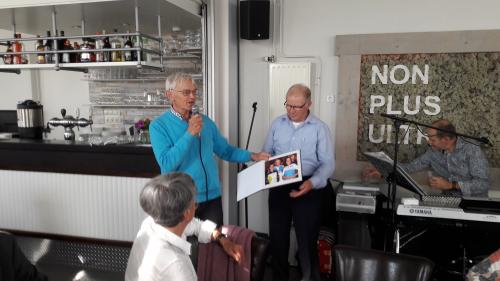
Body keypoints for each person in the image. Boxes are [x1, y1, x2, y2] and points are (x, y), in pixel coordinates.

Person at [150, 73, 269, 226]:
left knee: (215, 246)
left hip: (212, 198)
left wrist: (253, 156)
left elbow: (225, 150)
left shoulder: (205, 121)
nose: (192, 97)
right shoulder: (159, 126)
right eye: (186, 92)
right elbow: (167, 164)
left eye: (194, 91)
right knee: (187, 249)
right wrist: (189, 134)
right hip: (181, 201)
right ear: (170, 95)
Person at [263, 84, 335, 281]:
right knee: (278, 238)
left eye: (296, 107)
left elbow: (328, 164)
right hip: (279, 184)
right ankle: (279, 277)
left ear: (309, 104)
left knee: (307, 240)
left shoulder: (320, 128)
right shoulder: (277, 124)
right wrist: (261, 163)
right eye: (288, 105)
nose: (291, 111)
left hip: (308, 185)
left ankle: (309, 278)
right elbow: (266, 153)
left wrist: (313, 183)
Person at [125, 173, 244, 281]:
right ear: (187, 213)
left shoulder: (151, 223)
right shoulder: (178, 266)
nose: (196, 205)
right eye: (195, 203)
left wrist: (221, 238)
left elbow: (196, 225)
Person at [364, 119, 490, 197]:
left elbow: (483, 184)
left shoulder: (472, 151)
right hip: (448, 202)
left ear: (446, 139)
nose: (429, 142)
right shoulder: (432, 152)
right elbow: (409, 168)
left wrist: (451, 185)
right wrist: (383, 171)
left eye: (432, 139)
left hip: (473, 205)